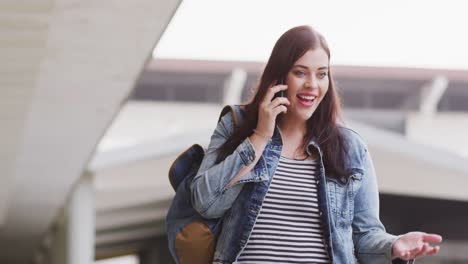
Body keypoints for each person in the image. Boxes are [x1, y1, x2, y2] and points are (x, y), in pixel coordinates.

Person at [190, 25, 442, 263]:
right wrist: (260, 137)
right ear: (278, 76)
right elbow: (206, 203)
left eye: (322, 74)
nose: (312, 84)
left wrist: (393, 246)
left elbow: (364, 236)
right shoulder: (236, 125)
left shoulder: (350, 147)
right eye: (300, 73)